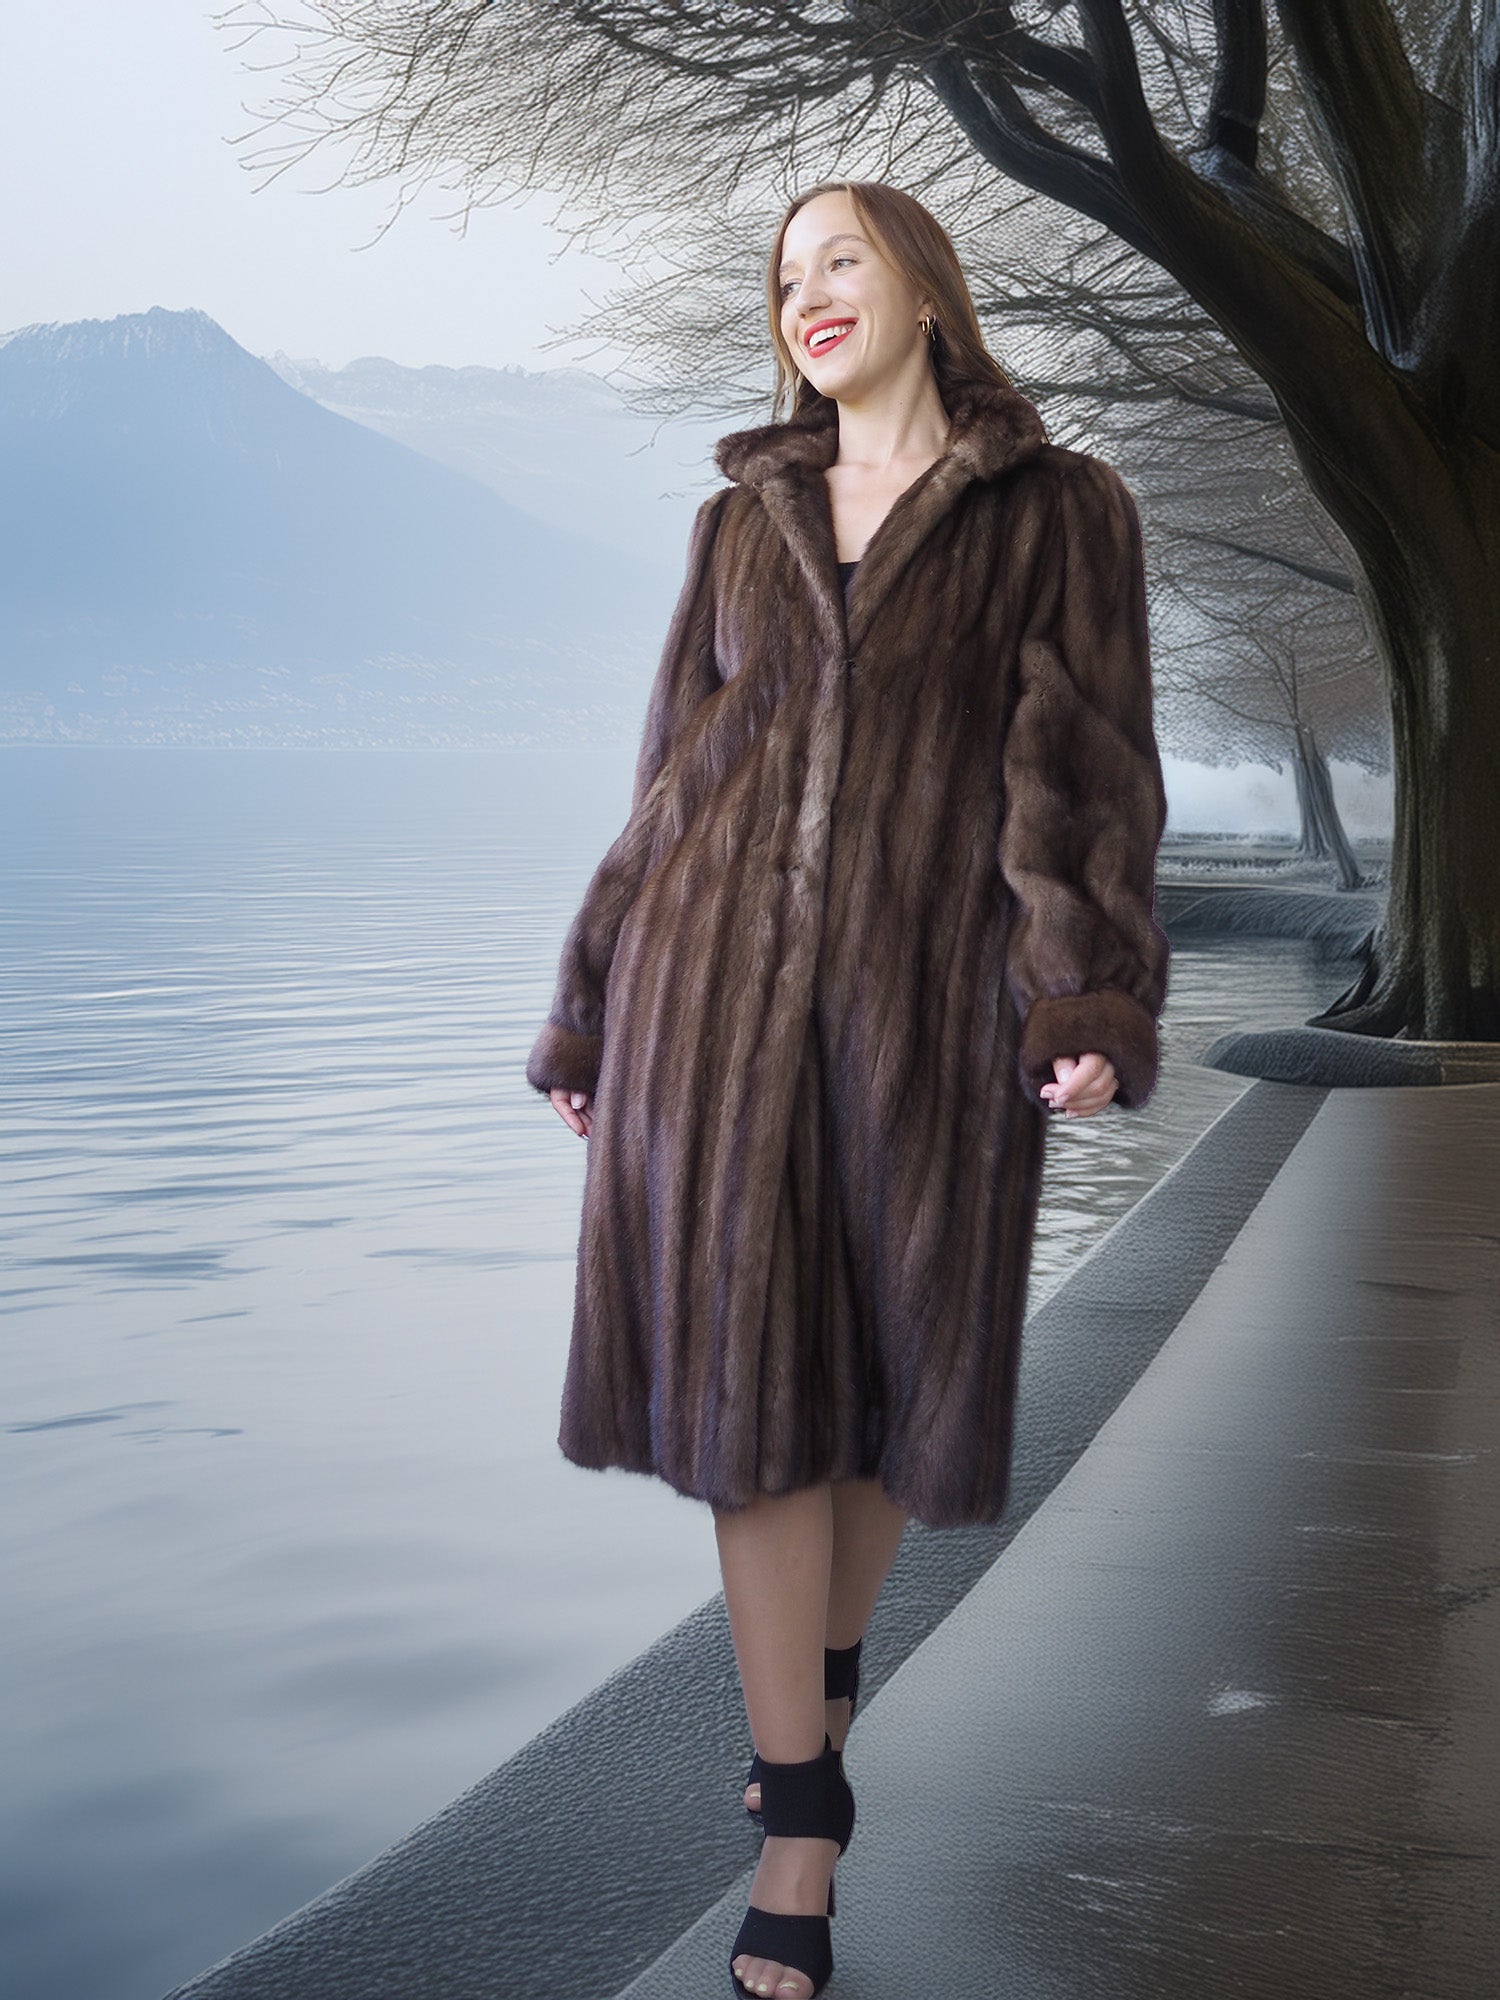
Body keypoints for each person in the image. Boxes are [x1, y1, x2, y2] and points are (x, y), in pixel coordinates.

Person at [526, 179, 1170, 1999]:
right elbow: (671, 778)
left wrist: (1088, 990)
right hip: (709, 1009)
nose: (808, 293)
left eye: (843, 258)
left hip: (931, 1008)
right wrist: (591, 1000)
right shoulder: (744, 522)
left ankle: (813, 1694)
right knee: (753, 1402)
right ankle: (799, 1822)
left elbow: (1091, 770)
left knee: (899, 1387)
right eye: (786, 272)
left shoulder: (1059, 508)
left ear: (923, 288)